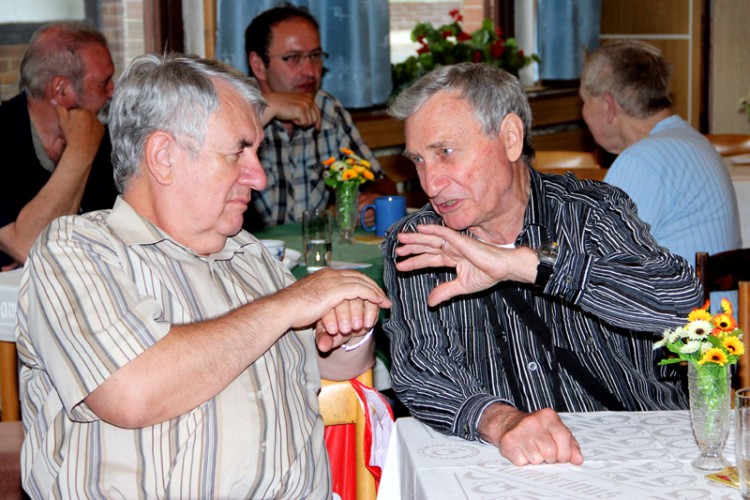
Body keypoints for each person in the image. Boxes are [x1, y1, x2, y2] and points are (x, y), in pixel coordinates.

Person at [16, 53, 391, 498]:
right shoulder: (77, 250)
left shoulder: (250, 254)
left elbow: (331, 365)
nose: (259, 177)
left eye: (257, 152)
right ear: (164, 157)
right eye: (238, 152)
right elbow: (131, 390)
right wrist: (289, 303)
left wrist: (350, 332)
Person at [381, 62, 703, 467]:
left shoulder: (589, 213)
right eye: (419, 160)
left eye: (445, 152)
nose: (430, 183)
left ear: (510, 138)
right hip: (511, 462)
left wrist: (531, 266)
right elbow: (421, 367)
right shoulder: (420, 242)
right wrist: (502, 421)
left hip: (635, 451)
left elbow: (681, 305)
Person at [580, 40, 741, 263]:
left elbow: (596, 262)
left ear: (609, 106)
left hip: (684, 287)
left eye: (585, 101)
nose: (583, 113)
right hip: (714, 286)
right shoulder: (697, 142)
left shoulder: (641, 161)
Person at [244, 4, 395, 229]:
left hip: (313, 244)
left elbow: (381, 182)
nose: (310, 71)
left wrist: (374, 198)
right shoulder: (233, 108)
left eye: (315, 55)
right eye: (293, 58)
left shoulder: (327, 108)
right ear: (258, 65)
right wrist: (269, 107)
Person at [0, 21, 118, 270]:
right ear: (61, 90)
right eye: (104, 82)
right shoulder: (5, 137)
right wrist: (80, 151)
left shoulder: (110, 141)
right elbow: (29, 246)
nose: (112, 91)